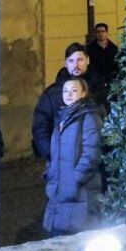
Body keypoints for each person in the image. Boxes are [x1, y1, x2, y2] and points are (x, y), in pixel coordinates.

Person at [42, 78, 103, 236]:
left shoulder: (89, 117)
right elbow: (55, 153)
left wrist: (76, 178)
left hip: (80, 190)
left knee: (78, 238)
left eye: (74, 90)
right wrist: (50, 173)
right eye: (65, 91)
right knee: (58, 240)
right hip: (59, 188)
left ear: (83, 93)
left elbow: (92, 153)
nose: (68, 94)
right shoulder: (62, 118)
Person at [32, 43, 106, 161]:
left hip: (94, 160)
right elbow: (40, 125)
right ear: (66, 63)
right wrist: (52, 153)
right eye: (71, 61)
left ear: (87, 60)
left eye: (80, 60)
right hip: (59, 159)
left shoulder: (101, 89)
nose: (76, 65)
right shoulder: (52, 93)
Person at [86, 23, 119, 87]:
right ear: (96, 33)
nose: (100, 34)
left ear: (106, 33)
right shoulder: (90, 48)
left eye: (102, 31)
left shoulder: (114, 48)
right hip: (96, 81)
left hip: (111, 80)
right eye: (98, 32)